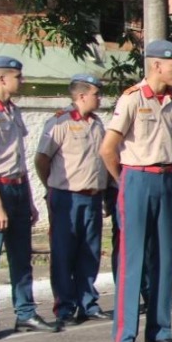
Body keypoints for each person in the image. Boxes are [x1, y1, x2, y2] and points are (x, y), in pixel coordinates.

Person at [100, 40, 172, 342]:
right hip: (135, 179)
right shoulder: (132, 99)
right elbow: (108, 148)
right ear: (156, 65)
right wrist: (123, 181)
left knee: (164, 258)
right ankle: (125, 336)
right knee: (133, 258)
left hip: (165, 177)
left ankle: (160, 331)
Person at [34, 73, 110, 327]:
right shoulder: (60, 122)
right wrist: (52, 188)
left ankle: (88, 303)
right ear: (81, 96)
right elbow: (41, 160)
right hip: (66, 197)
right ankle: (65, 306)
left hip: (92, 198)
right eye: (96, 93)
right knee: (64, 254)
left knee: (90, 253)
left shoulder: (98, 124)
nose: (100, 98)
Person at [0, 56, 57, 333]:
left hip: (18, 187)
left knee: (21, 255)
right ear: (1, 78)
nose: (22, 81)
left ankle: (25, 312)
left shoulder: (13, 110)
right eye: (18, 77)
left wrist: (30, 200)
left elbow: (20, 158)